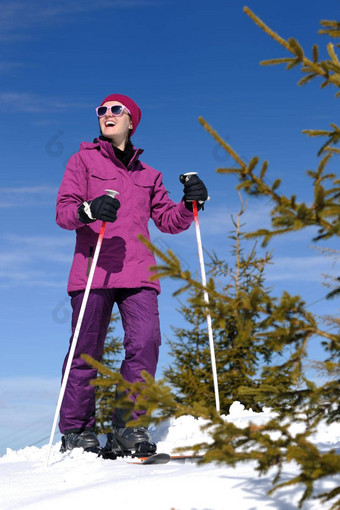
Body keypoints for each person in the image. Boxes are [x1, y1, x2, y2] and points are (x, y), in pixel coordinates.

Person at [56, 93, 208, 453]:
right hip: (94, 270)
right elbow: (63, 213)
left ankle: (128, 427)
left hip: (138, 273)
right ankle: (77, 430)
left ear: (131, 121)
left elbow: (170, 221)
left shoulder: (148, 175)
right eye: (102, 111)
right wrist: (89, 210)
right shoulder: (82, 161)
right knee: (85, 350)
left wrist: (190, 204)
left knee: (146, 343)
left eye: (115, 110)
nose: (107, 115)